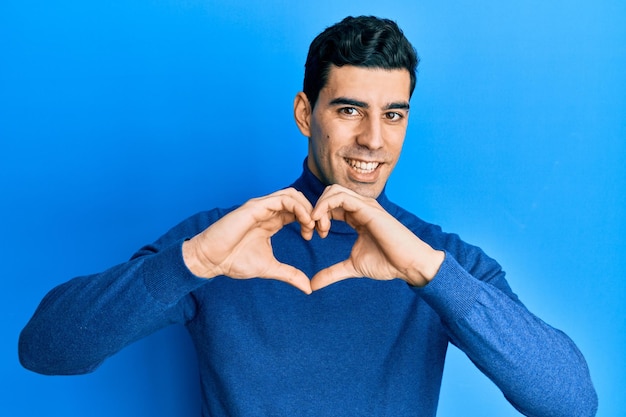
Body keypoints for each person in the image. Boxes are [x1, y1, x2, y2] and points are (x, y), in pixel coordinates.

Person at [19, 15, 597, 417]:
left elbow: (569, 401)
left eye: (394, 115)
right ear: (305, 112)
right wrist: (192, 261)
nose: (373, 140)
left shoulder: (440, 259)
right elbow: (46, 351)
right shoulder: (226, 239)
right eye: (350, 110)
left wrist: (429, 274)